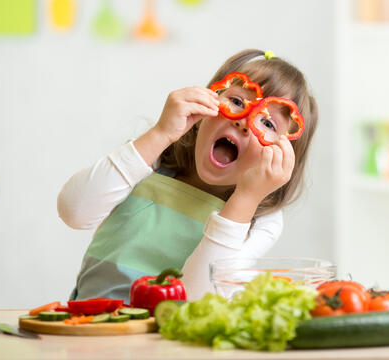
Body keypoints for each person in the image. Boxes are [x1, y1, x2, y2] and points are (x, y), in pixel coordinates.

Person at [57, 49, 318, 302]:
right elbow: (73, 212)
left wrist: (246, 199)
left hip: (169, 344)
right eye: (237, 101)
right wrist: (159, 133)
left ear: (283, 156)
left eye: (268, 123)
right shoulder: (151, 158)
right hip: (86, 328)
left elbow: (198, 299)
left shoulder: (262, 219)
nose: (243, 121)